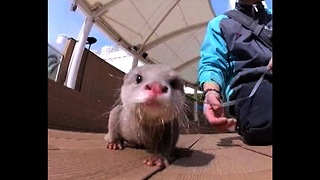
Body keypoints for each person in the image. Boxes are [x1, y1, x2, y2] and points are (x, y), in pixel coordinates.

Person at [198, 0, 272, 145]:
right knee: (262, 125)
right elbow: (212, 63)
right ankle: (246, 121)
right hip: (249, 85)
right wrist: (211, 92)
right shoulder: (219, 24)